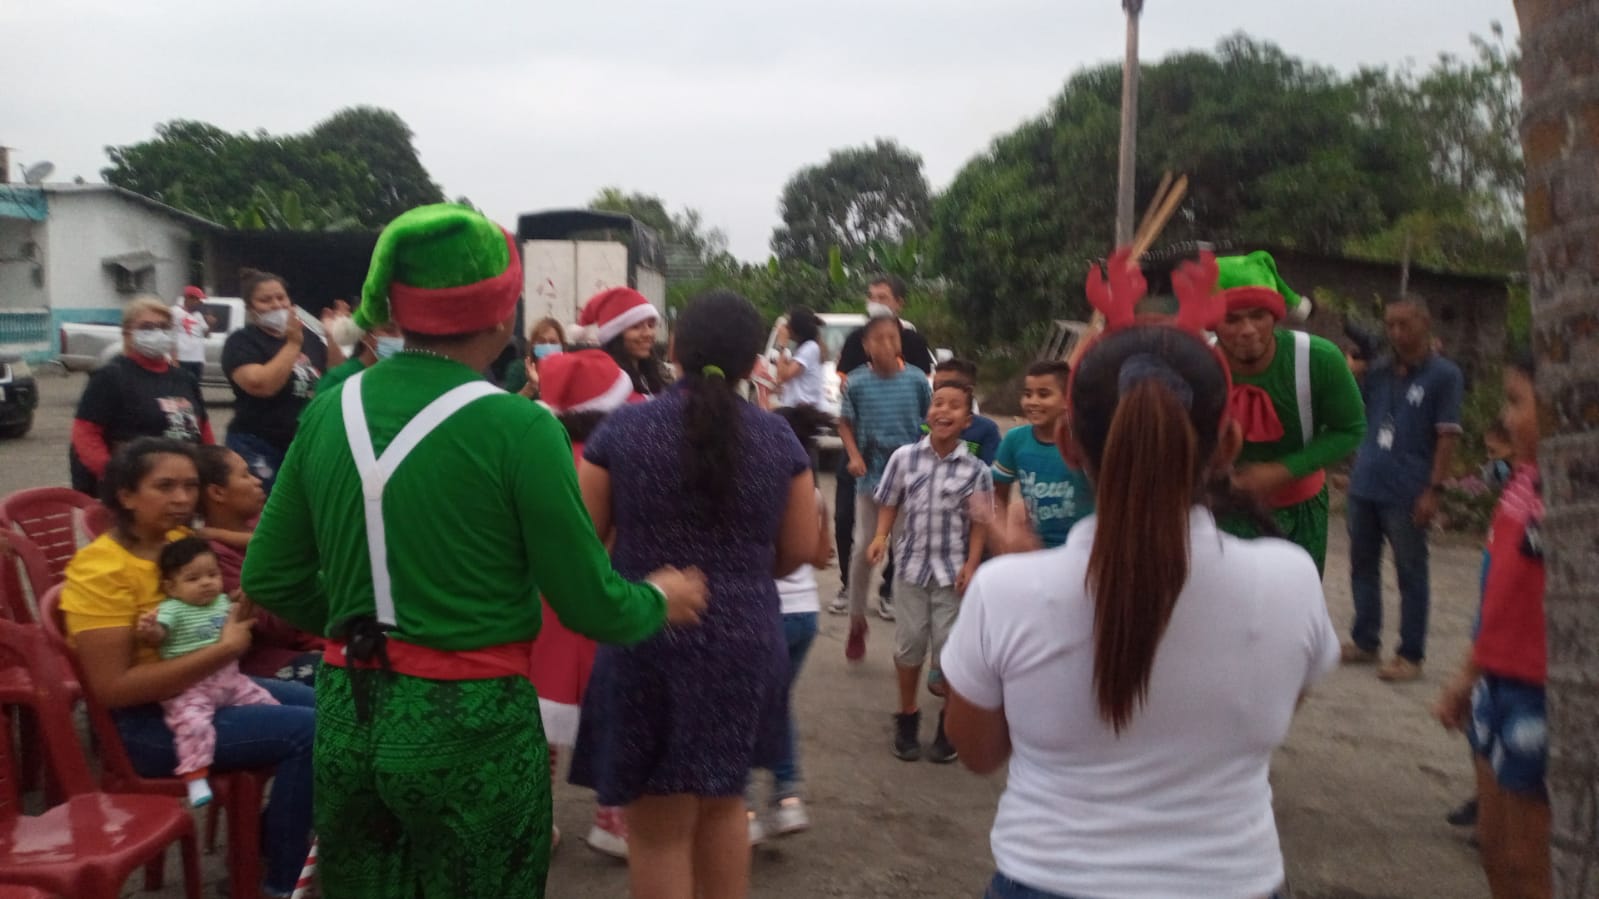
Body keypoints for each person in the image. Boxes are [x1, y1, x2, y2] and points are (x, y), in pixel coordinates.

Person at [239, 204, 706, 899]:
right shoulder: (520, 428)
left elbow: (269, 574)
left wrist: (364, 623)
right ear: (501, 312)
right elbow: (588, 602)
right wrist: (659, 600)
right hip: (472, 727)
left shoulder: (328, 409)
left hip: (348, 711)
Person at [941, 253, 1339, 899]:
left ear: (1068, 445)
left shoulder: (1007, 591)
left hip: (1048, 880)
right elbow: (1271, 713)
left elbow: (978, 752)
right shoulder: (1290, 581)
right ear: (1229, 444)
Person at [569, 290, 818, 899]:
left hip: (648, 632)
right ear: (753, 361)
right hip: (745, 641)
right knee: (723, 801)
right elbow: (797, 549)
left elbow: (581, 540)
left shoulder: (623, 428)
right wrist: (738, 569)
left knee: (658, 828)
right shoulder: (779, 440)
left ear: (675, 347)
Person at [62, 438, 316, 899]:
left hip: (215, 688)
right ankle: (278, 883)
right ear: (126, 495)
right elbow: (113, 689)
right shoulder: (99, 571)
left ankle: (268, 839)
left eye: (190, 486)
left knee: (335, 708)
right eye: (165, 487)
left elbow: (206, 615)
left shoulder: (179, 543)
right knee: (311, 731)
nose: (182, 499)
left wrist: (242, 602)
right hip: (149, 725)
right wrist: (224, 648)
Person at [1434, 355, 1549, 899]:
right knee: (1495, 847)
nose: (1504, 418)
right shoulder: (1523, 480)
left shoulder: (1576, 501)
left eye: (1517, 402)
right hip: (1494, 682)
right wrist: (1468, 675)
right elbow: (1499, 594)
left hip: (1542, 696)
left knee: (1531, 864)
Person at [524, 348, 644, 858]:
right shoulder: (610, 461)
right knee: (616, 714)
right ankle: (611, 820)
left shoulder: (540, 454)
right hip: (599, 601)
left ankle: (537, 819)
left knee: (541, 723)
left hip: (541, 606)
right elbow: (609, 538)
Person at [1209, 251, 1366, 574]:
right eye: (1232, 319)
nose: (1247, 330)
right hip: (1220, 513)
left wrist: (1282, 471)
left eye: (1258, 315)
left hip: (1300, 514)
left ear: (1276, 315)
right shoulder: (1199, 364)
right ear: (1213, 322)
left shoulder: (1318, 360)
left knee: (1293, 598)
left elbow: (1350, 428)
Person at [868, 382, 992, 764]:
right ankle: (907, 715)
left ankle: (948, 723)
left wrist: (972, 564)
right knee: (909, 645)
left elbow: (980, 523)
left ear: (967, 420)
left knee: (950, 653)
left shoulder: (976, 470)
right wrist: (880, 537)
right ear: (928, 414)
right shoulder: (904, 458)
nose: (943, 411)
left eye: (954, 406)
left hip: (952, 574)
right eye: (938, 403)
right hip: (910, 569)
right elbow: (889, 501)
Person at [1344, 297, 1464, 681]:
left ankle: (1410, 654)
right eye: (1390, 325)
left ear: (1425, 323)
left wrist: (1434, 490)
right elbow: (1358, 415)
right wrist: (1353, 375)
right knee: (1362, 565)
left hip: (1408, 489)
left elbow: (1447, 436)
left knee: (1411, 572)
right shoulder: (1379, 371)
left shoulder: (1444, 375)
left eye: (1404, 324)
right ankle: (1365, 639)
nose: (1396, 332)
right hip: (1366, 484)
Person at [748, 403, 836, 843]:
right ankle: (787, 800)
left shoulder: (756, 487)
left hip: (768, 614)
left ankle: (744, 807)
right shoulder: (812, 492)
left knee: (745, 707)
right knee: (775, 702)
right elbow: (821, 556)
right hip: (805, 614)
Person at [140, 537, 281, 808]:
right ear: (171, 587)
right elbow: (160, 635)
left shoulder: (220, 602)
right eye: (193, 579)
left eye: (212, 575)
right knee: (193, 726)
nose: (206, 583)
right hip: (192, 689)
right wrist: (151, 630)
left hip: (232, 682)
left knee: (270, 707)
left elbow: (239, 617)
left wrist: (244, 600)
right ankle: (194, 775)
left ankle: (270, 759)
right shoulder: (172, 609)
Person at [833, 275, 936, 612]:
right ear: (866, 345)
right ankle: (855, 606)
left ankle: (898, 602)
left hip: (909, 476)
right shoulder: (857, 372)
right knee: (861, 537)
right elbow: (844, 418)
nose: (886, 344)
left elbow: (930, 419)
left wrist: (927, 455)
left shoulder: (917, 375)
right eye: (872, 296)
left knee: (904, 542)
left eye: (883, 297)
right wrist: (853, 455)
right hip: (868, 472)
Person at [194, 445, 323, 686]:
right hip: (272, 662)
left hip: (317, 637)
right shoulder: (212, 558)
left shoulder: (263, 521)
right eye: (245, 475)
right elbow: (275, 628)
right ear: (217, 492)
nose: (257, 481)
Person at [70, 296, 213, 498]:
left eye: (164, 327)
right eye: (147, 327)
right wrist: (116, 478)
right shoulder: (111, 376)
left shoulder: (184, 379)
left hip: (183, 489)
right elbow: (85, 435)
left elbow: (204, 431)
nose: (157, 333)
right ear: (127, 333)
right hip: (135, 491)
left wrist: (209, 473)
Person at [222, 268, 343, 492]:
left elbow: (334, 373)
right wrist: (293, 344)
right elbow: (262, 385)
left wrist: (332, 336)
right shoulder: (242, 342)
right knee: (264, 504)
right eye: (265, 300)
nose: (276, 305)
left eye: (281, 297)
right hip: (257, 445)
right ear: (250, 308)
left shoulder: (309, 338)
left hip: (300, 442)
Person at [993, 361, 1093, 551]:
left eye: (1044, 394)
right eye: (1027, 394)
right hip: (1037, 551)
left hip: (1084, 549)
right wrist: (1007, 537)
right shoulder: (1015, 440)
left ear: (1067, 399)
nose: (1033, 402)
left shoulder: (1086, 440)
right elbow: (998, 497)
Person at [578, 287, 669, 397]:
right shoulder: (607, 383)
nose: (648, 333)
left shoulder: (652, 373)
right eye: (636, 327)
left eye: (651, 325)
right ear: (615, 335)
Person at [930, 359, 1000, 464]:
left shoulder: (987, 430)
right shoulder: (925, 425)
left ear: (969, 390)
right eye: (935, 387)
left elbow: (990, 469)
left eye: (946, 385)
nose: (940, 391)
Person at [317, 314, 405, 396]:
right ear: (364, 335)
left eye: (404, 333)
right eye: (390, 330)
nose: (401, 339)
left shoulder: (396, 378)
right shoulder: (339, 379)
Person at [773, 306, 826, 410]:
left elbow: (783, 376)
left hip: (803, 411)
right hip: (799, 409)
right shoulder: (807, 348)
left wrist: (782, 344)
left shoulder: (810, 348)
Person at [506, 317, 567, 399]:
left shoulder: (570, 373)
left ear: (562, 346)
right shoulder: (519, 369)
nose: (547, 346)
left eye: (553, 342)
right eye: (542, 341)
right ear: (533, 345)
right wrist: (531, 387)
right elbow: (510, 403)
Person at [172, 285, 214, 383]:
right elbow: (169, 333)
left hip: (197, 359)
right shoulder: (174, 311)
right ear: (188, 298)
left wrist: (210, 324)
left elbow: (206, 334)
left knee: (194, 385)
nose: (200, 302)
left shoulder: (198, 315)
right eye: (197, 300)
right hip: (181, 358)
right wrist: (173, 358)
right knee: (181, 385)